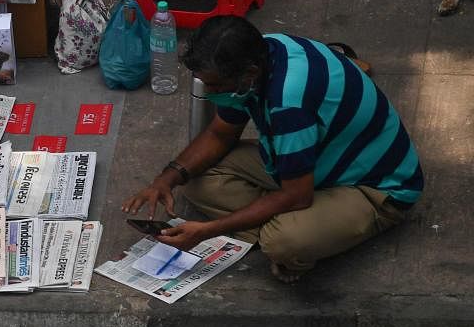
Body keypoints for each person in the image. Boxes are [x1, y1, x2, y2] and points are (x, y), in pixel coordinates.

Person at [122, 16, 423, 282]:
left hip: (373, 188)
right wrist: (166, 179)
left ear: (249, 73)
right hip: (311, 165)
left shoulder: (289, 104)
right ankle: (292, 217)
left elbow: (297, 195)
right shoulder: (264, 51)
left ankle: (294, 225)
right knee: (195, 182)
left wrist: (207, 231)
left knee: (283, 243)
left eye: (215, 86)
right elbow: (219, 134)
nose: (210, 92)